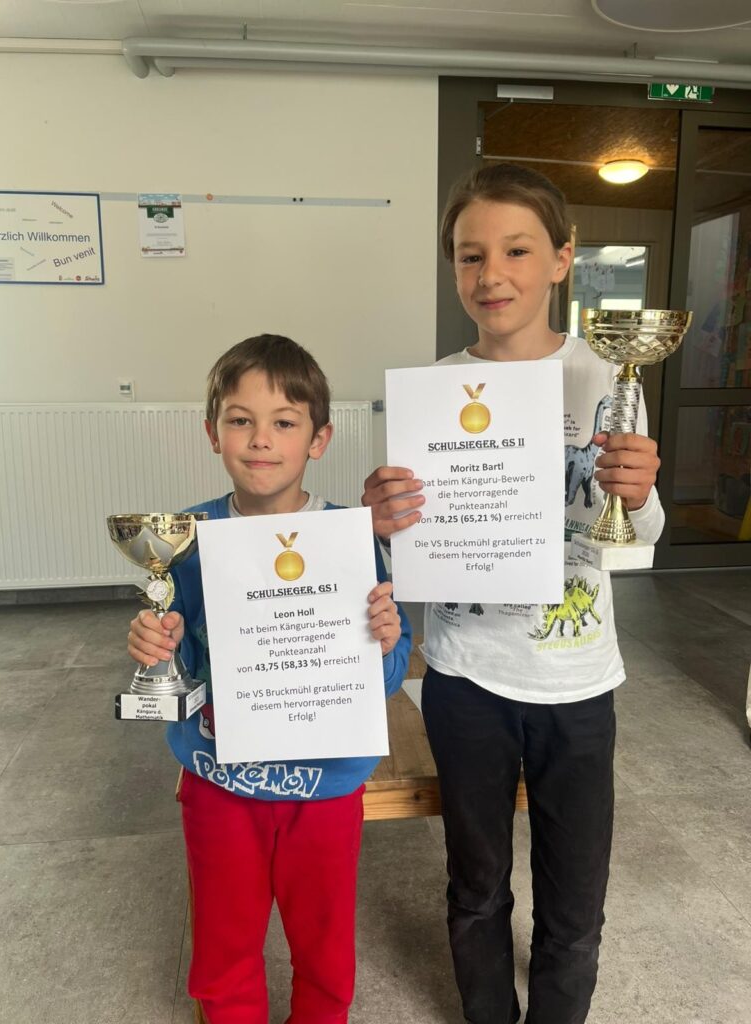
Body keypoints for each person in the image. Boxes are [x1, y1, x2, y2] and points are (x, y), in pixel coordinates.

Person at [361, 163, 664, 1024]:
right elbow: (408, 540)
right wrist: (381, 519)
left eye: (517, 250)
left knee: (576, 896)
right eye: (470, 255)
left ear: (563, 259)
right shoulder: (433, 390)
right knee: (476, 882)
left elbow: (639, 536)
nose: (491, 273)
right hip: (466, 678)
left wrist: (641, 495)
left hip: (580, 682)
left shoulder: (608, 379)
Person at [128, 333, 411, 1024]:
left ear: (319, 439)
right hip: (219, 780)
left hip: (327, 785)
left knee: (325, 945)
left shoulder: (352, 537)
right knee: (223, 945)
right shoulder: (185, 536)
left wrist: (385, 644)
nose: (261, 440)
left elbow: (388, 671)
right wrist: (153, 647)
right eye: (240, 420)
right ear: (212, 432)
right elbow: (176, 652)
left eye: (284, 422)